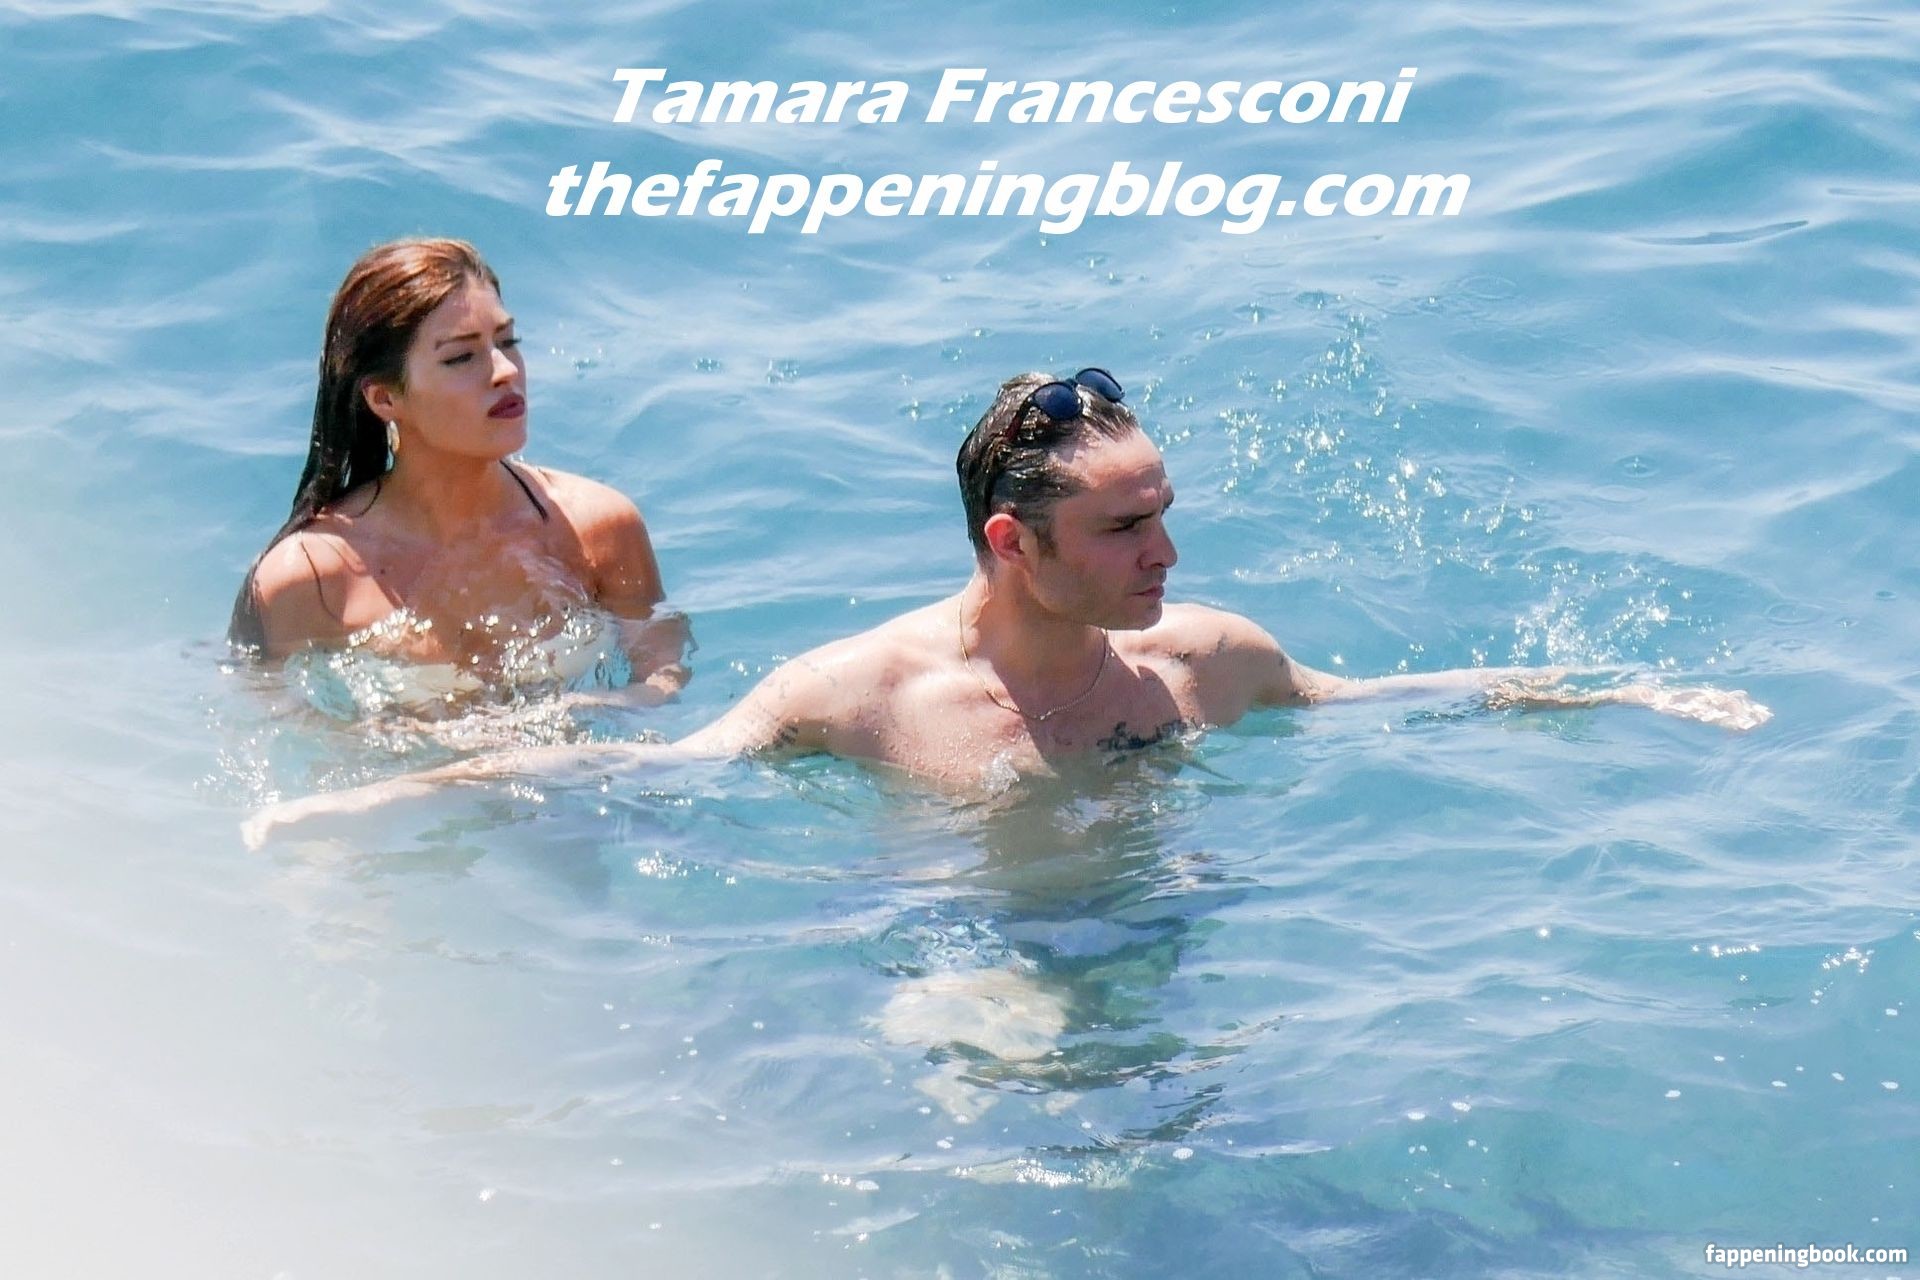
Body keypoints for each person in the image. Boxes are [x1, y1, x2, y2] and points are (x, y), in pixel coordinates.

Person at [245, 367, 1767, 845]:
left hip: (1163, 948)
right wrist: (363, 803)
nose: (1167, 552)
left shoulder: (1209, 660)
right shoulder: (855, 695)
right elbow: (625, 773)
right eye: (1126, 527)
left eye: (1163, 512)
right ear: (1011, 543)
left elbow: (1396, 704)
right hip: (959, 972)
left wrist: (1627, 694)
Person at [228, 237, 687, 696]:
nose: (506, 370)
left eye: (508, 341)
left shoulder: (601, 529)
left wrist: (605, 711)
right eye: (461, 357)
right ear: (384, 398)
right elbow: (277, 721)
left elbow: (663, 676)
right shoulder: (310, 579)